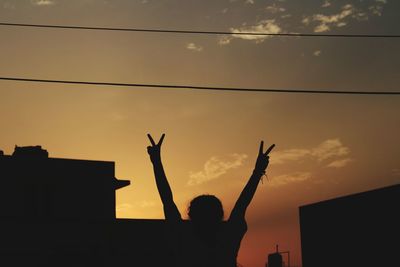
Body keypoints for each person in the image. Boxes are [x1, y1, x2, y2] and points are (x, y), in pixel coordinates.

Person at [147, 134, 274, 267]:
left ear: (191, 215)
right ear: (220, 214)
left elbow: (167, 199)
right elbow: (242, 203)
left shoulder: (183, 237)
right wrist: (258, 171)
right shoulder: (228, 236)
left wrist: (156, 163)